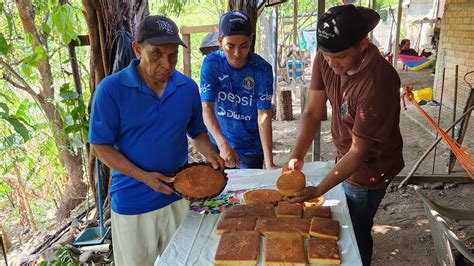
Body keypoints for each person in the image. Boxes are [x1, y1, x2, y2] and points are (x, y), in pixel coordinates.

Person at [88, 15, 224, 265]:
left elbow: (197, 133)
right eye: (157, 54)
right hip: (132, 204)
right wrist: (144, 176)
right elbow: (100, 146)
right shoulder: (111, 90)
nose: (167, 64)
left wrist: (210, 153)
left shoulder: (187, 88)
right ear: (137, 49)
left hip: (179, 199)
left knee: (184, 260)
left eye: (172, 55)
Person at [284, 5, 404, 266]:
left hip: (371, 168)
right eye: (326, 56)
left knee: (355, 230)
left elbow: (358, 153)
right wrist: (297, 155)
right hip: (345, 158)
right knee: (343, 222)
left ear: (363, 43)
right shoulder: (326, 56)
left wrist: (317, 190)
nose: (331, 63)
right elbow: (313, 111)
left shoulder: (377, 83)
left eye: (339, 57)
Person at [200, 11, 276, 170]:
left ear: (251, 39)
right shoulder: (212, 64)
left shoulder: (262, 69)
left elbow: (264, 115)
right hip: (218, 142)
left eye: (244, 46)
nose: (237, 54)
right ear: (220, 41)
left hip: (251, 149)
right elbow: (206, 108)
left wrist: (269, 162)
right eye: (230, 46)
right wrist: (222, 144)